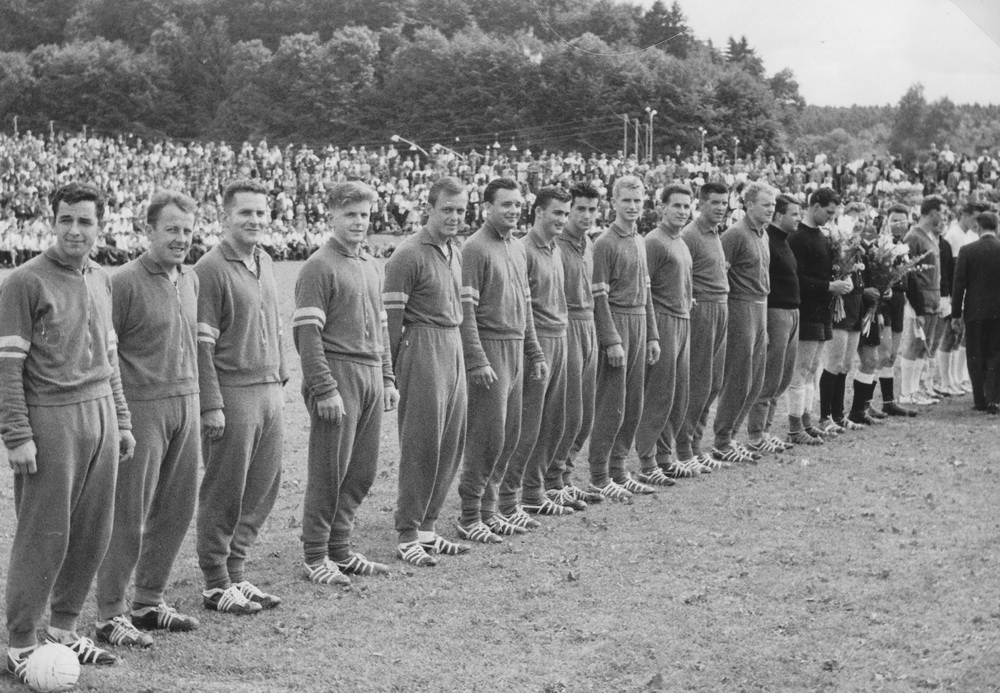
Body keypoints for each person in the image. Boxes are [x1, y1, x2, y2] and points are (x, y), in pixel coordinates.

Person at [1, 183, 136, 678]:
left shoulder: (102, 278)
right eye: (66, 220)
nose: (75, 230)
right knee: (44, 533)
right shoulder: (24, 281)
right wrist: (16, 434)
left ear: (101, 225)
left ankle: (63, 629)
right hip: (51, 415)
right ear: (51, 221)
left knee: (92, 531)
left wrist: (121, 419)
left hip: (99, 411)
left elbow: (109, 356)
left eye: (85, 221)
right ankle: (19, 642)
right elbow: (7, 366)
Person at [94, 191, 202, 651]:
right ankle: (110, 613)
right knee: (129, 514)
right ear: (148, 230)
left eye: (187, 230)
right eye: (171, 229)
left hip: (187, 402)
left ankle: (149, 601)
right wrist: (119, 417)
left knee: (176, 509)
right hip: (143, 407)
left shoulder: (190, 279)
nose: (180, 239)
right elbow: (103, 352)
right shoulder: (123, 282)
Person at [294, 181, 399, 582]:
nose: (359, 222)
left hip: (371, 373)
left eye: (364, 215)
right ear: (332, 216)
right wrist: (324, 388)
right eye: (350, 214)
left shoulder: (371, 265)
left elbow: (381, 327)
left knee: (362, 471)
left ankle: (341, 548)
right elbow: (307, 335)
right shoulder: (319, 265)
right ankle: (316, 555)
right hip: (338, 374)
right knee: (329, 469)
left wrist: (387, 377)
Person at [195, 179, 287, 615]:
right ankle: (215, 582)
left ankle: (236, 571)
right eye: (245, 213)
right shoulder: (210, 267)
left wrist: (282, 377)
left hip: (269, 389)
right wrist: (211, 403)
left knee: (263, 485)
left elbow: (273, 323)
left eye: (261, 213)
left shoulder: (265, 260)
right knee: (224, 488)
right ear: (225, 217)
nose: (254, 221)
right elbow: (201, 344)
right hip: (233, 390)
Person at [383, 177, 470, 567]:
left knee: (450, 441)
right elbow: (391, 322)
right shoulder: (408, 254)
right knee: (421, 441)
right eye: (447, 210)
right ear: (429, 210)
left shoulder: (456, 249)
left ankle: (428, 529)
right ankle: (407, 533)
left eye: (460, 210)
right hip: (421, 346)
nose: (454, 217)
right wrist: (392, 372)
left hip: (452, 345)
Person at [456, 178, 546, 543]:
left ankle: (491, 511)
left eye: (516, 204)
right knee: (486, 437)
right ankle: (469, 515)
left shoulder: (518, 248)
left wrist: (535, 350)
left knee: (509, 435)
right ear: (487, 208)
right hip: (490, 349)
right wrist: (477, 359)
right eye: (505, 205)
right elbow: (467, 310)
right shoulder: (475, 248)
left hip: (515, 348)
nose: (513, 211)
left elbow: (525, 305)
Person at [499, 186, 574, 520]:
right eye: (557, 212)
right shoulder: (523, 248)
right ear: (539, 212)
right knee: (526, 426)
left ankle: (533, 491)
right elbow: (522, 306)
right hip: (535, 341)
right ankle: (509, 497)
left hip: (559, 338)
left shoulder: (555, 249)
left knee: (552, 422)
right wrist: (533, 351)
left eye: (565, 213)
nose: (563, 219)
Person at [587, 175, 660, 500]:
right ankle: (599, 475)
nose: (632, 207)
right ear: (613, 203)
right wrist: (610, 339)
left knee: (633, 404)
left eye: (637, 201)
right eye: (626, 201)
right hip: (617, 322)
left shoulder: (640, 240)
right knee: (611, 404)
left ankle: (619, 469)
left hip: (639, 322)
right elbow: (599, 297)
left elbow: (646, 293)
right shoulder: (604, 243)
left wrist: (653, 336)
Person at [544, 183, 604, 509]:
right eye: (580, 209)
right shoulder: (555, 245)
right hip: (565, 327)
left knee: (585, 414)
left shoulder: (589, 244)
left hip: (589, 325)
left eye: (592, 210)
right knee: (567, 412)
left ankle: (565, 476)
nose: (586, 216)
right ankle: (551, 480)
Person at [711, 182, 776, 463]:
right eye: (766, 204)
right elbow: (720, 272)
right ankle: (722, 439)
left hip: (761, 306)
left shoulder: (763, 234)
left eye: (773, 205)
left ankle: (733, 436)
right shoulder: (735, 234)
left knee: (757, 378)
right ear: (749, 206)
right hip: (741, 306)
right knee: (739, 376)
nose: (771, 209)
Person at [632, 184, 693, 483]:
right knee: (658, 394)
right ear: (662, 208)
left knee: (677, 395)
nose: (682, 211)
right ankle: (647, 461)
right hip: (663, 320)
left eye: (686, 206)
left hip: (683, 320)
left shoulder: (680, 241)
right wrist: (653, 333)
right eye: (676, 206)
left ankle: (666, 457)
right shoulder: (654, 242)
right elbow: (645, 289)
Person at [786, 188, 853, 444]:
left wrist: (837, 280)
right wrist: (829, 286)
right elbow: (798, 279)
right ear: (814, 206)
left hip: (822, 309)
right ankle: (795, 427)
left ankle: (807, 420)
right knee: (801, 370)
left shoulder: (822, 237)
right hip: (807, 310)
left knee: (813, 369)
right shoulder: (798, 238)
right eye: (827, 212)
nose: (830, 217)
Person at [676, 182, 730, 472]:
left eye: (724, 203)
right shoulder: (690, 234)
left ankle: (696, 444)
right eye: (715, 203)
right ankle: (684, 449)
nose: (721, 208)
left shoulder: (715, 233)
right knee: (697, 383)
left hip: (721, 307)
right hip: (702, 311)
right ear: (701, 203)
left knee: (713, 383)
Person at [744, 193, 801, 453]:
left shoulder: (781, 241)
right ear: (779, 215)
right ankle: (756, 433)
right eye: (793, 213)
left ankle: (766, 431)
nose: (798, 219)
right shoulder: (766, 239)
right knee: (770, 377)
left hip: (791, 311)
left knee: (783, 377)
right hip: (776, 311)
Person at [899, 195, 947, 406]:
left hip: (933, 298)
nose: (944, 217)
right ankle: (906, 391)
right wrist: (913, 303)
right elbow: (907, 273)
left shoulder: (931, 236)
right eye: (942, 212)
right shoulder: (914, 236)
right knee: (913, 344)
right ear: (933, 213)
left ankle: (915, 389)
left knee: (923, 346)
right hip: (919, 299)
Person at [951, 212, 1000, 413]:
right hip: (998, 310)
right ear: (996, 227)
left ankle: (979, 399)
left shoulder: (967, 250)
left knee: (975, 354)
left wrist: (955, 314)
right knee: (996, 353)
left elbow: (959, 284)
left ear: (978, 227)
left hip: (975, 310)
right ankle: (994, 397)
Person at [874, 205, 917, 417]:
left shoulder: (904, 247)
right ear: (887, 222)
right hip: (885, 302)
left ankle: (889, 401)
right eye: (894, 220)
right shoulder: (881, 245)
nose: (898, 225)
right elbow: (876, 279)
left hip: (900, 301)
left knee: (892, 355)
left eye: (902, 220)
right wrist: (878, 310)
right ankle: (865, 402)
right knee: (881, 353)